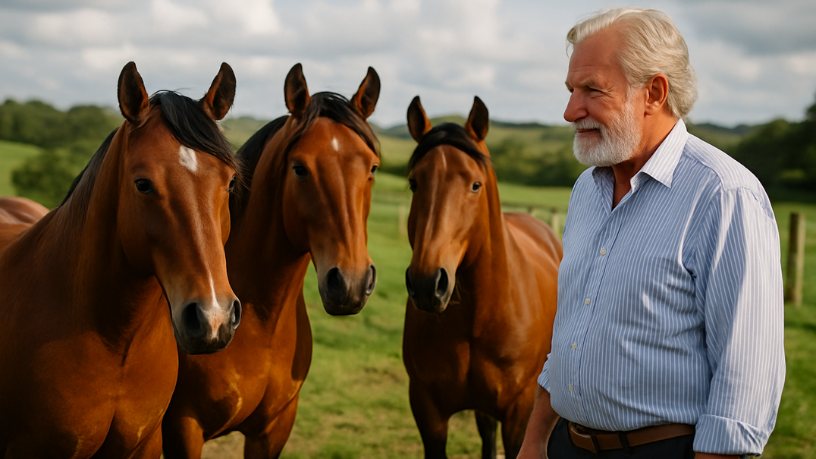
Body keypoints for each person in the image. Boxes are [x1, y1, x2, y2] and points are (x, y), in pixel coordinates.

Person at [517, 7, 785, 459]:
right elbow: (569, 336)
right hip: (567, 445)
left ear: (654, 92)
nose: (569, 111)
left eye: (592, 90)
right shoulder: (587, 188)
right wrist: (535, 440)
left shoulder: (724, 194)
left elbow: (747, 378)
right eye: (570, 90)